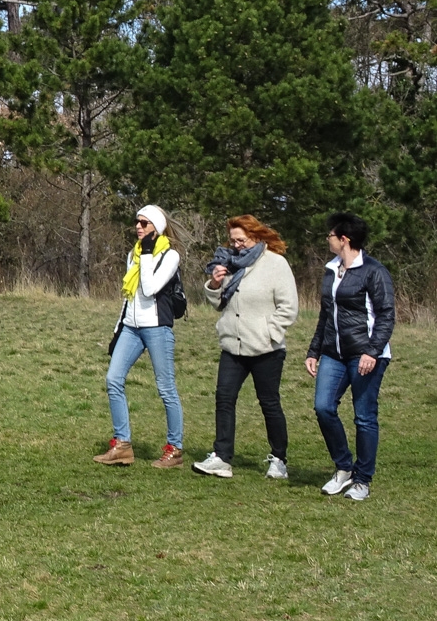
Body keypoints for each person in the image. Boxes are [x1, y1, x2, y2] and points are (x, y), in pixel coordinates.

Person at [191, 215, 298, 480]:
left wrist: (268, 332)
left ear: (257, 237)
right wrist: (215, 285)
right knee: (224, 398)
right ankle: (222, 458)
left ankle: (279, 459)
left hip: (266, 348)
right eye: (233, 240)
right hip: (232, 346)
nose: (237, 245)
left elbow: (289, 308)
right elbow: (220, 303)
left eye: (242, 240)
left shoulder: (275, 263)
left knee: (269, 403)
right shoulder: (228, 264)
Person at [306, 212, 395, 502]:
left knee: (364, 417)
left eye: (330, 235)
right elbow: (325, 314)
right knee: (323, 407)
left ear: (344, 239)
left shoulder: (373, 271)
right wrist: (314, 350)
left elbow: (385, 315)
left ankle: (362, 479)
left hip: (365, 355)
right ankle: (343, 467)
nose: (327, 240)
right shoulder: (331, 268)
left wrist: (372, 351)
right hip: (333, 352)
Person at [95, 204, 185, 469]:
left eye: (145, 223)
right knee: (113, 378)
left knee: (166, 388)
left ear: (156, 228)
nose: (138, 227)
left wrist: (146, 253)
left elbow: (149, 289)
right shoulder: (132, 255)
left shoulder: (170, 256)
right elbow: (130, 296)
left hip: (157, 327)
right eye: (137, 222)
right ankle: (122, 445)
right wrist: (117, 329)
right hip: (131, 327)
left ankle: (174, 449)